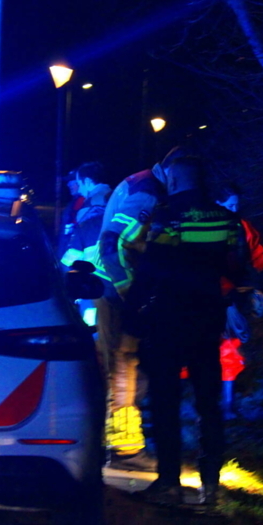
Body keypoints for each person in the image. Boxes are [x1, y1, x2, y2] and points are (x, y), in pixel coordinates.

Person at [128, 155, 246, 506]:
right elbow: (235, 269)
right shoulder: (226, 219)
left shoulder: (167, 217)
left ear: (176, 181)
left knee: (165, 402)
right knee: (209, 404)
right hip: (207, 322)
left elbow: (149, 270)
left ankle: (170, 481)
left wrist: (133, 315)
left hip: (168, 321)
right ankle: (210, 483)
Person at [94, 149, 178, 462]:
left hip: (112, 288)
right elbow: (112, 242)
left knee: (123, 365)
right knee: (125, 364)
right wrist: (130, 290)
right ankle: (123, 445)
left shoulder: (143, 183)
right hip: (118, 292)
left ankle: (119, 439)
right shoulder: (147, 194)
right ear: (172, 173)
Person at [214, 182, 263, 418]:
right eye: (229, 205)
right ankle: (208, 403)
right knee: (208, 350)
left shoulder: (242, 227)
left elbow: (257, 251)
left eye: (237, 205)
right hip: (209, 297)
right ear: (217, 204)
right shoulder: (205, 227)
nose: (234, 209)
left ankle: (226, 404)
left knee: (229, 351)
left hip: (232, 297)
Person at [60, 161, 111, 268]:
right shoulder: (113, 196)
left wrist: (63, 269)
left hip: (94, 268)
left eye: (79, 183)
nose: (79, 189)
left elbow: (78, 242)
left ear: (87, 182)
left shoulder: (90, 205)